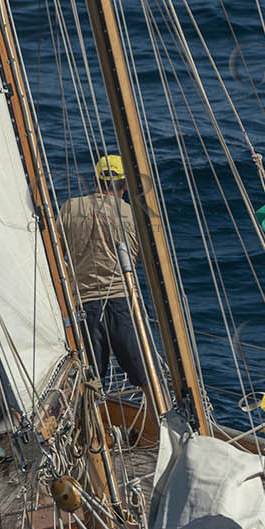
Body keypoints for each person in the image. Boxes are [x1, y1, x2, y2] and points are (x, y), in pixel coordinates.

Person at [59, 155, 148, 389]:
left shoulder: (71, 208)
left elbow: (54, 254)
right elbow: (140, 258)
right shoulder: (132, 214)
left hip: (84, 304)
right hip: (123, 303)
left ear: (95, 180)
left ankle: (92, 411)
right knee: (148, 379)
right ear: (124, 185)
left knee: (90, 384)